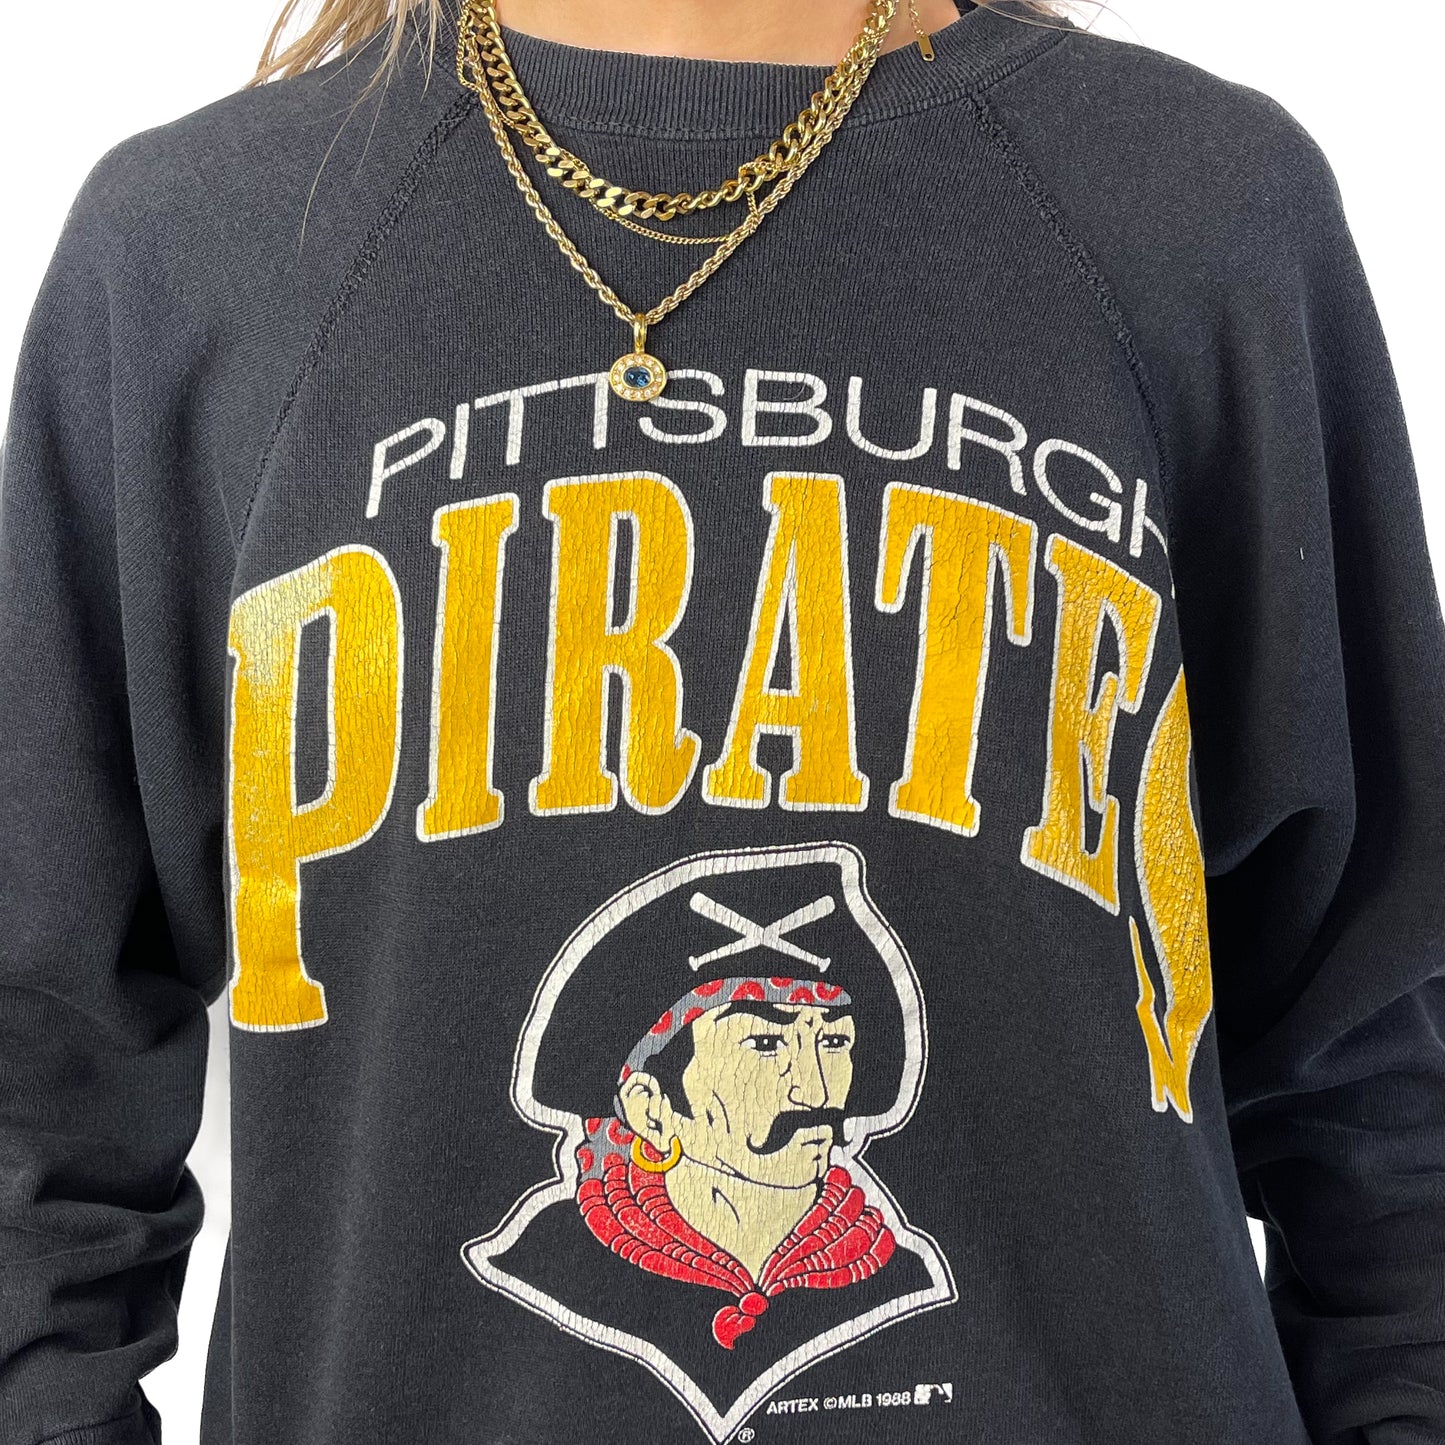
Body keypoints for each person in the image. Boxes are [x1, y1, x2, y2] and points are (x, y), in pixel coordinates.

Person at [0, 2, 1440, 1443]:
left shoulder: (1192, 210)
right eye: (762, 1041)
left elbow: (1378, 1047)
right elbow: (40, 1069)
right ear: (648, 1098)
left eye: (825, 1035)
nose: (818, 1084)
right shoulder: (201, 248)